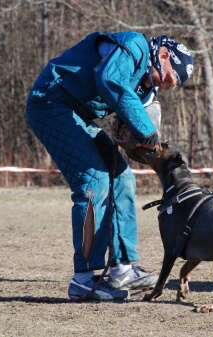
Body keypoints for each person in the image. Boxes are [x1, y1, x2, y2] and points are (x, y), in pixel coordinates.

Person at [25, 31, 194, 300]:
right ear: (163, 56)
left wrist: (129, 137)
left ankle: (122, 269)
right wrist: (144, 129)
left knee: (123, 178)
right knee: (93, 182)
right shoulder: (134, 46)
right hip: (49, 103)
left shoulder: (146, 89)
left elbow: (136, 137)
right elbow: (109, 79)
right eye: (170, 78)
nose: (165, 86)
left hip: (75, 114)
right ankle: (84, 279)